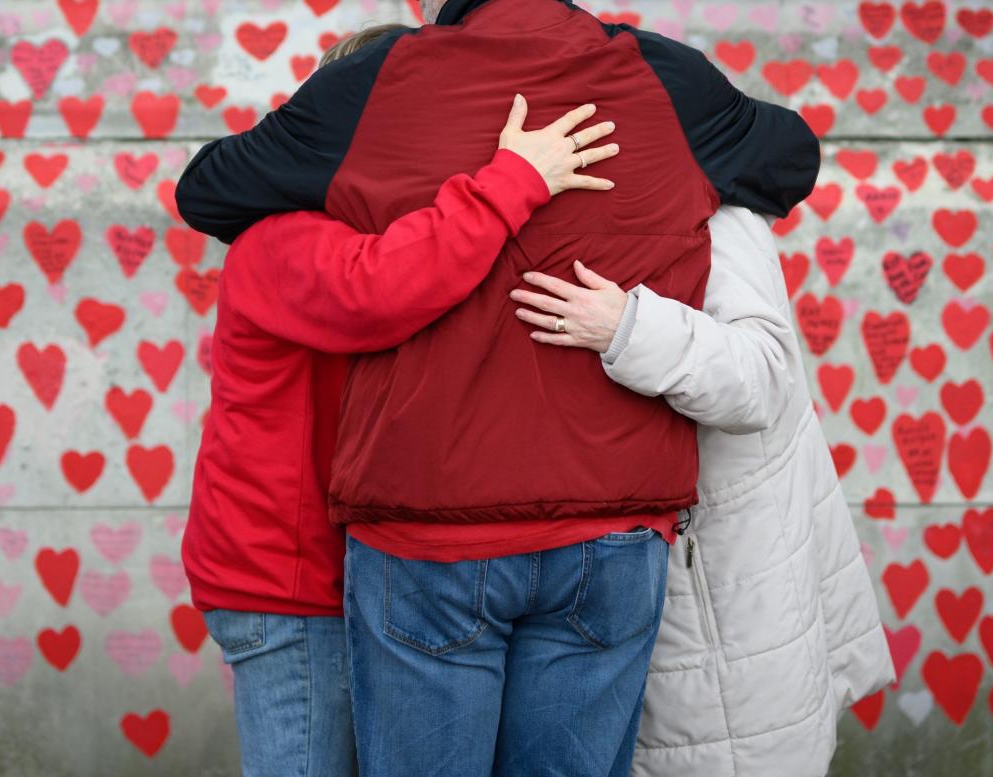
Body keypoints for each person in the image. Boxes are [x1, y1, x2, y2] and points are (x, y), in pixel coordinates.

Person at [175, 1, 822, 774]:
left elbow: (210, 188)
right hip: (596, 526)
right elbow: (791, 161)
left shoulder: (383, 92)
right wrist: (519, 177)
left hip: (428, 534)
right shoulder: (664, 81)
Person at [183, 24, 622, 777]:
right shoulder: (279, 240)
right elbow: (381, 287)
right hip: (289, 590)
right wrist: (512, 176)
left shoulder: (382, 231)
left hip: (343, 575)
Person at [511, 207, 895, 776]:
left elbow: (760, 377)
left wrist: (626, 327)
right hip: (667, 584)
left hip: (728, 590)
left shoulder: (717, 214)